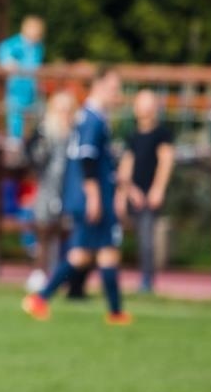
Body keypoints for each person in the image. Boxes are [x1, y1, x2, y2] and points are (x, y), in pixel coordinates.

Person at [22, 68, 130, 325]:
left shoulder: (90, 118)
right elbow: (87, 160)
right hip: (93, 199)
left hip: (89, 197)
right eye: (114, 88)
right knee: (103, 251)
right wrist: (94, 196)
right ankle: (114, 313)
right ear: (99, 85)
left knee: (86, 254)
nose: (117, 94)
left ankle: (42, 300)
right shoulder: (91, 119)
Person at [118, 89, 174, 294]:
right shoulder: (132, 135)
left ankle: (146, 281)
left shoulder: (162, 134)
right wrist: (127, 192)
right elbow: (126, 165)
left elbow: (166, 161)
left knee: (146, 240)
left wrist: (157, 189)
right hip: (133, 193)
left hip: (150, 195)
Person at [23, 90, 75, 291]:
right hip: (48, 186)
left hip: (69, 189)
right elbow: (33, 158)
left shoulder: (76, 134)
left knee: (67, 233)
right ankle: (40, 273)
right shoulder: (45, 132)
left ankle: (64, 276)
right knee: (44, 230)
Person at [0, 16, 45, 141]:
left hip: (31, 87)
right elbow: (3, 50)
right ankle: (15, 141)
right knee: (15, 115)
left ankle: (27, 141)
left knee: (32, 116)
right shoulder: (16, 43)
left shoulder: (38, 47)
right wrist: (8, 62)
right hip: (16, 87)